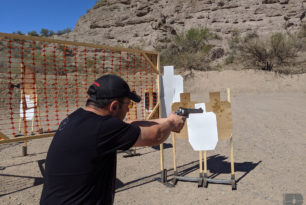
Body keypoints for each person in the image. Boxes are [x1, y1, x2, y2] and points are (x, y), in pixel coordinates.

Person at [40, 74, 186, 205]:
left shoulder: (77, 118)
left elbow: (129, 125)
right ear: (114, 106)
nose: (128, 110)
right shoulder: (103, 129)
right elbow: (156, 135)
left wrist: (167, 120)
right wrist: (172, 123)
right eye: (127, 104)